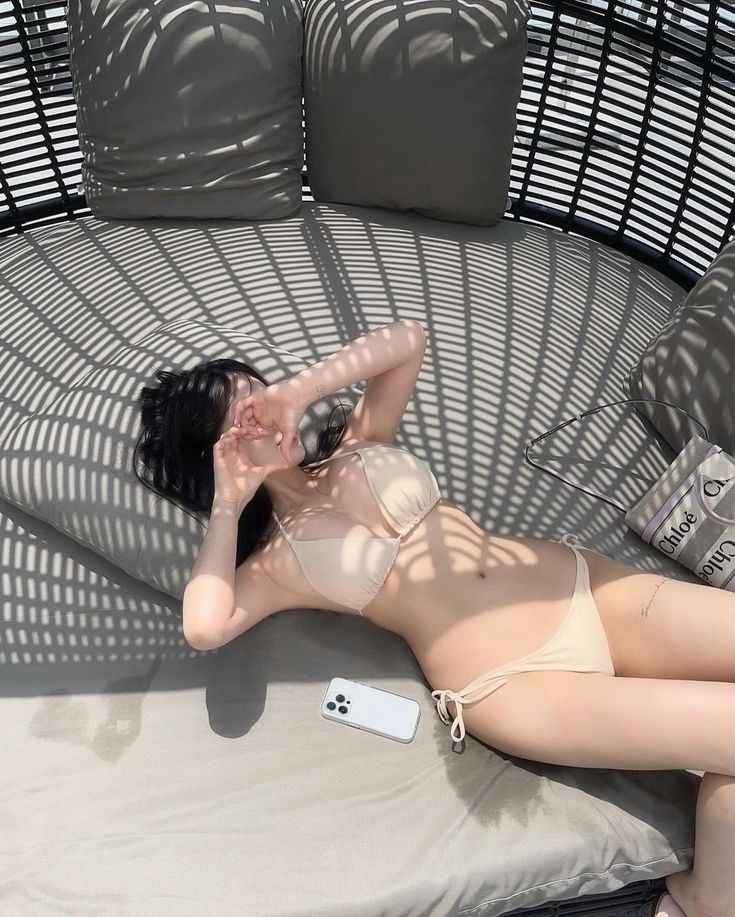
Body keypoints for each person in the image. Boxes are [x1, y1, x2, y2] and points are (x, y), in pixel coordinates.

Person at [134, 318, 735, 917]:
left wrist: (300, 389)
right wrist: (228, 501)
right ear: (220, 456)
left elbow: (408, 340)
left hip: (585, 590)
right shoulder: (275, 564)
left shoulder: (359, 442)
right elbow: (205, 627)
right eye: (246, 420)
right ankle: (706, 902)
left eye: (259, 393)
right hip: (521, 682)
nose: (266, 415)